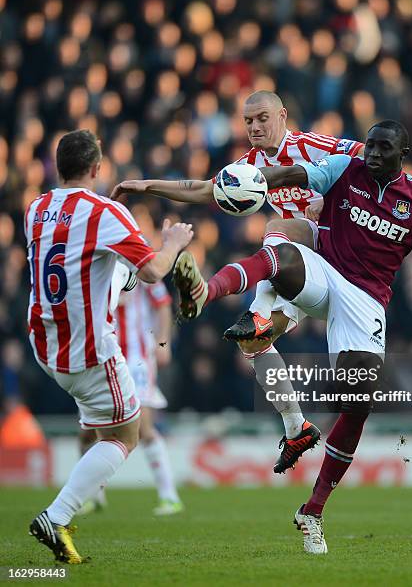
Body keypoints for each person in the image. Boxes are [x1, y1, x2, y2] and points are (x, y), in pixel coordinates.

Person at [171, 120, 412, 554]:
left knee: (357, 405)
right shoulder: (343, 167)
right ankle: (209, 294)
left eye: (382, 149)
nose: (372, 154)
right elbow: (293, 175)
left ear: (403, 153)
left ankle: (313, 510)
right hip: (325, 271)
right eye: (370, 146)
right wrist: (255, 179)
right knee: (280, 249)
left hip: (367, 300)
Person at [111, 90, 364, 473]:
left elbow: (372, 155)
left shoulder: (312, 145)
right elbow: (202, 189)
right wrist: (148, 185)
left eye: (262, 118)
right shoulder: (249, 164)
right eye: (248, 121)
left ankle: (220, 296)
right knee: (251, 341)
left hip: (336, 253)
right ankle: (296, 426)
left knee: (277, 224)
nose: (255, 126)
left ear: (282, 115)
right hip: (302, 268)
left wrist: (333, 197)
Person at [25, 129, 193, 563]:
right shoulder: (106, 212)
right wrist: (173, 244)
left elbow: (79, 260)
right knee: (126, 434)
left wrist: (122, 274)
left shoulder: (35, 209)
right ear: (98, 169)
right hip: (89, 348)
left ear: (57, 166)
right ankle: (56, 516)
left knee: (99, 430)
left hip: (45, 345)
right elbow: (155, 271)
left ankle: (71, 510)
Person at [78, 265, 183, 517]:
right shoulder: (94, 263)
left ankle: (169, 496)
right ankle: (94, 496)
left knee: (143, 427)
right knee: (88, 432)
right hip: (100, 356)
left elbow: (162, 304)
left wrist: (162, 342)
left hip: (136, 358)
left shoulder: (141, 264)